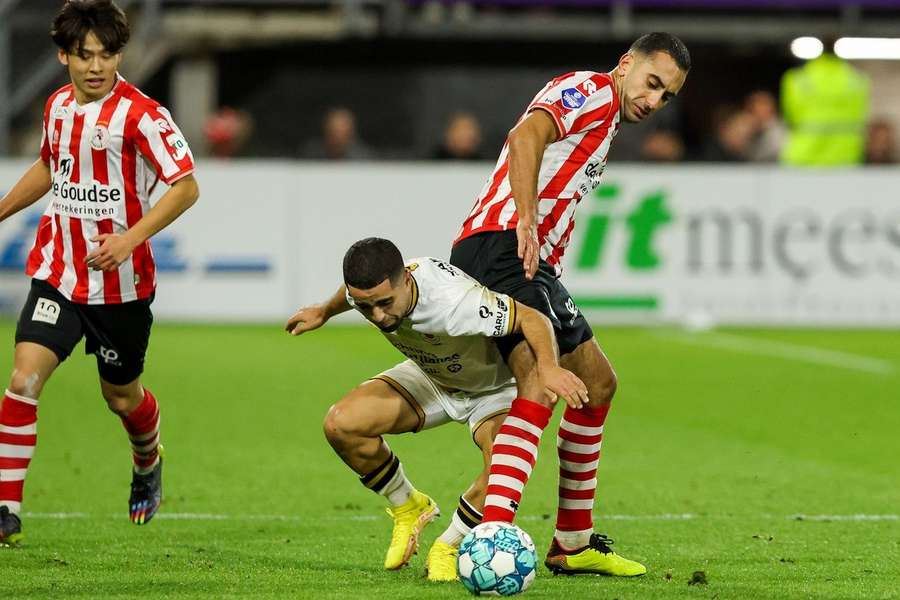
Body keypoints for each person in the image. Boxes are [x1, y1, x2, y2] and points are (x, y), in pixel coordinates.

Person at [450, 32, 690, 576]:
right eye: (652, 83)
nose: (654, 102)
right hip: (503, 242)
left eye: (667, 96)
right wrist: (528, 216)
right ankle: (490, 534)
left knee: (597, 385)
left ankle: (572, 543)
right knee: (541, 375)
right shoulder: (589, 90)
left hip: (533, 262)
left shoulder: (607, 121)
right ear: (626, 65)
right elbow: (525, 134)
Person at [0, 0, 199, 545]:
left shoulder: (142, 115)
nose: (96, 66)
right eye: (84, 55)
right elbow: (49, 165)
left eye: (107, 54)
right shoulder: (58, 105)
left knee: (122, 398)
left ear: (118, 55)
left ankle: (146, 459)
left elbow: (185, 185)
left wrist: (129, 239)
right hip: (59, 274)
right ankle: (5, 508)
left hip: (122, 286)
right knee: (23, 379)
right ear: (64, 55)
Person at [285, 237, 588, 581]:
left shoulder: (455, 301)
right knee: (341, 424)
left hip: (493, 389)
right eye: (367, 307)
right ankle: (408, 505)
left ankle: (450, 544)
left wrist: (548, 367)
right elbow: (352, 294)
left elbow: (533, 319)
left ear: (407, 281)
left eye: (385, 302)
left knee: (503, 464)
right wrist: (324, 311)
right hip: (433, 376)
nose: (378, 315)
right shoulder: (370, 292)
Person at [780, 36, 870, 167]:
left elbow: (790, 116)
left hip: (803, 156)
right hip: (846, 156)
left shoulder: (797, 80)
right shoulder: (857, 81)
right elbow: (861, 116)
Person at [299, 107, 373, 160]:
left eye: (341, 132)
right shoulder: (310, 154)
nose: (337, 137)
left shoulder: (362, 158)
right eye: (334, 131)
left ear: (351, 133)